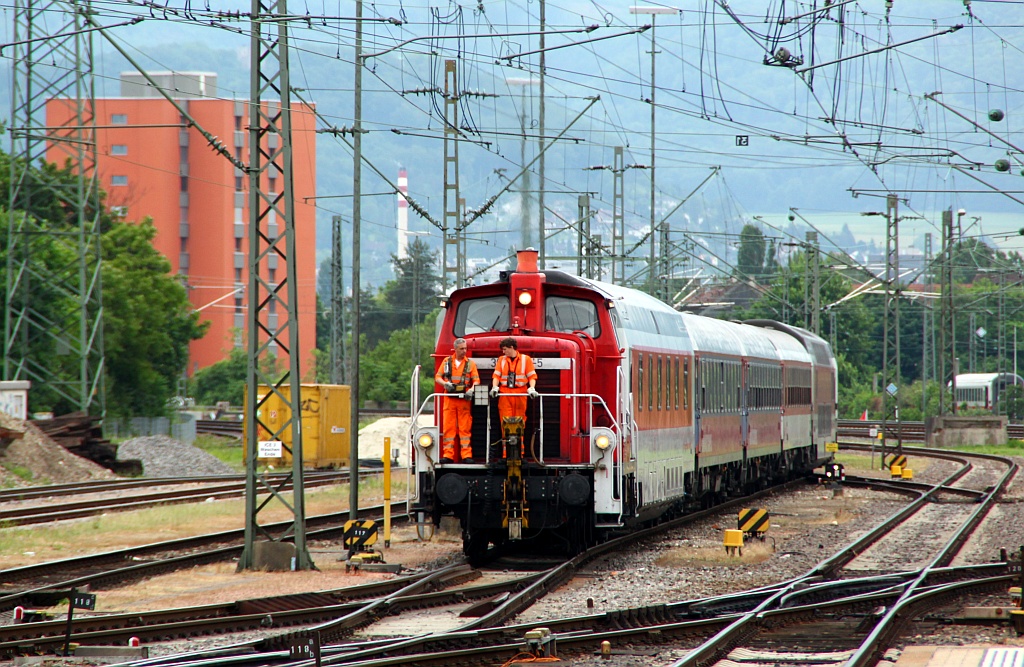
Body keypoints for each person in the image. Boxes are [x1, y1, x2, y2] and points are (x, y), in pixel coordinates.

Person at [434, 337, 480, 463]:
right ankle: (448, 455)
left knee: (465, 428)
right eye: (461, 349)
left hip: (464, 400)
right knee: (448, 428)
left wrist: (471, 390)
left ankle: (466, 456)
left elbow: (476, 380)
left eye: (465, 348)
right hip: (449, 399)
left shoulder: (470, 364)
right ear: (455, 349)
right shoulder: (446, 362)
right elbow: (438, 377)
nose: (464, 351)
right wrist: (445, 384)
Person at [490, 337, 538, 432]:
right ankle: (506, 447)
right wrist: (495, 387)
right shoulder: (501, 360)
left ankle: (520, 446)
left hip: (520, 394)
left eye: (505, 349)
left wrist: (532, 388)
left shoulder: (526, 359)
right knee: (505, 421)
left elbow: (532, 376)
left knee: (520, 421)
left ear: (511, 347)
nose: (503, 352)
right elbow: (496, 376)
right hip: (505, 394)